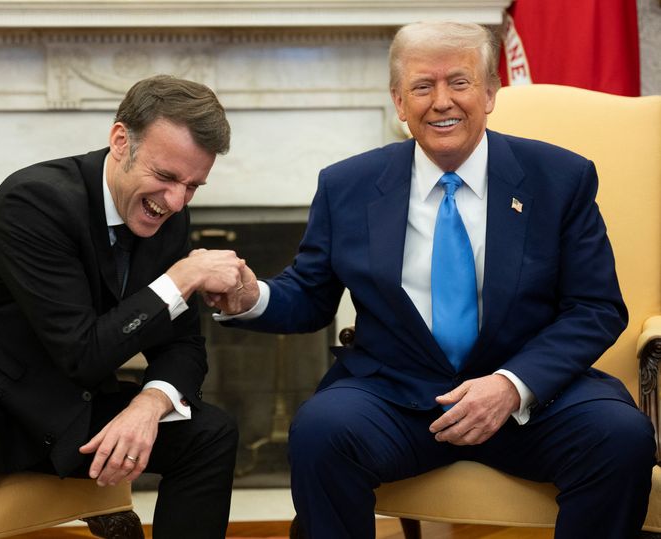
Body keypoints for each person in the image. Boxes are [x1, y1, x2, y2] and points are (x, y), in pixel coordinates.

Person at [209, 22, 656, 539]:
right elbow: (310, 295)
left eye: (459, 83)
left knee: (621, 436)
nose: (442, 101)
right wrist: (250, 297)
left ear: (490, 93)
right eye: (423, 87)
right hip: (398, 397)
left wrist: (512, 387)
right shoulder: (347, 185)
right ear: (400, 103)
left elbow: (594, 307)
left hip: (529, 399)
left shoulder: (560, 177)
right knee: (320, 431)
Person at [0, 74, 244, 539]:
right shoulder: (35, 200)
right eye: (166, 177)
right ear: (120, 139)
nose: (174, 201)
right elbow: (83, 350)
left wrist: (151, 403)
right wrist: (180, 278)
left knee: (210, 434)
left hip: (64, 402)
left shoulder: (166, 214)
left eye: (192, 186)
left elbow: (182, 343)